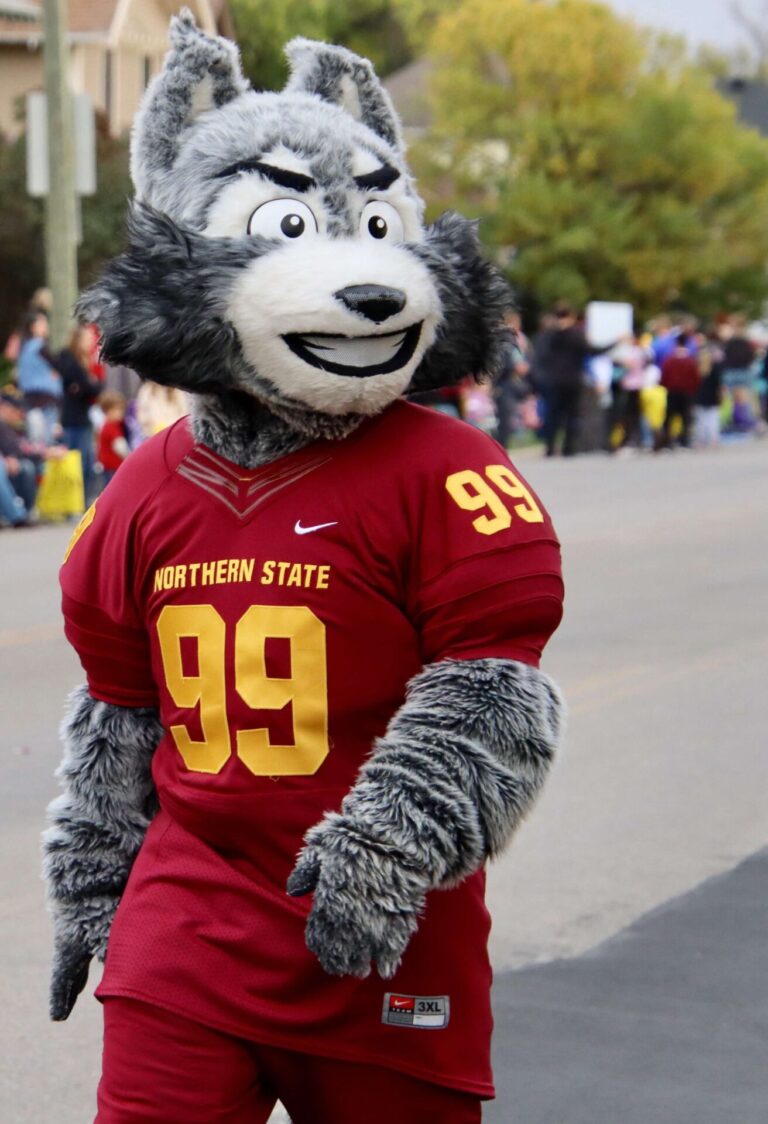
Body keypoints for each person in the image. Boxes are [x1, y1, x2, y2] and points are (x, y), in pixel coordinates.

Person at [59, 326, 104, 503]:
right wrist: (86, 385)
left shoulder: (87, 361)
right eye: (88, 339)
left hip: (84, 417)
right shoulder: (68, 358)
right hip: (72, 418)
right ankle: (72, 501)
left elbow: (95, 387)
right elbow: (87, 385)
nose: (91, 343)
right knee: (73, 463)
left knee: (87, 463)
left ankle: (84, 501)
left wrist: (84, 387)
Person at [16, 311, 62, 445]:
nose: (45, 326)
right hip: (46, 397)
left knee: (35, 438)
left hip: (29, 397)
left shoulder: (24, 347)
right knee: (47, 440)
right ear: (32, 326)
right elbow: (57, 366)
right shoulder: (40, 347)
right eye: (42, 323)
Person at [657, 333, 700, 450]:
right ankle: (684, 441)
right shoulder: (690, 360)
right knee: (685, 417)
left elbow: (663, 377)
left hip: (672, 391)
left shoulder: (669, 360)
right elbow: (695, 378)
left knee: (669, 417)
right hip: (686, 392)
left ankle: (667, 441)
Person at [97, 390, 130, 484]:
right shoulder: (111, 427)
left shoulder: (106, 425)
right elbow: (120, 446)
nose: (121, 413)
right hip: (113, 467)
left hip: (109, 466)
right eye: (118, 410)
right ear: (108, 411)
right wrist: (130, 456)